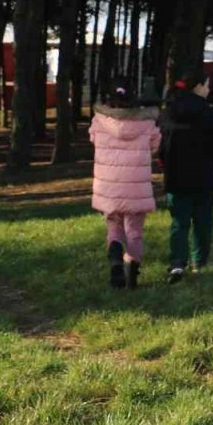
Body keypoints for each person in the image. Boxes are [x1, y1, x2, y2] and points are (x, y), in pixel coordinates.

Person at [158, 72, 213, 284]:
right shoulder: (208, 113)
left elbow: (161, 148)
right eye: (207, 85)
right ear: (198, 87)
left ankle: (177, 262)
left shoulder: (167, 113)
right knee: (203, 221)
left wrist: (165, 166)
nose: (209, 89)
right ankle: (199, 261)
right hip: (203, 175)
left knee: (179, 221)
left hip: (175, 176)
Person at [89, 77, 161, 289]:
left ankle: (115, 260)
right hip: (136, 187)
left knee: (114, 226)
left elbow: (93, 139)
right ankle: (132, 271)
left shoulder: (98, 122)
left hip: (108, 187)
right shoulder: (147, 123)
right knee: (135, 230)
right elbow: (155, 145)